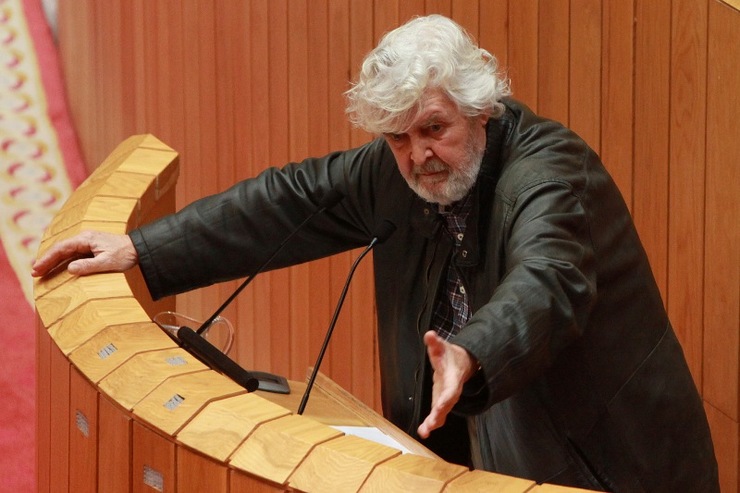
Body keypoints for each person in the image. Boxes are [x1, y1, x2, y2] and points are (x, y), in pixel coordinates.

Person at [33, 14, 719, 492]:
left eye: (433, 128)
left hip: (606, 470)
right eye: (397, 137)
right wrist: (141, 248)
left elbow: (547, 280)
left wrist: (469, 350)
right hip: (482, 460)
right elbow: (285, 202)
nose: (418, 156)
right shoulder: (396, 172)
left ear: (480, 108)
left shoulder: (552, 175)